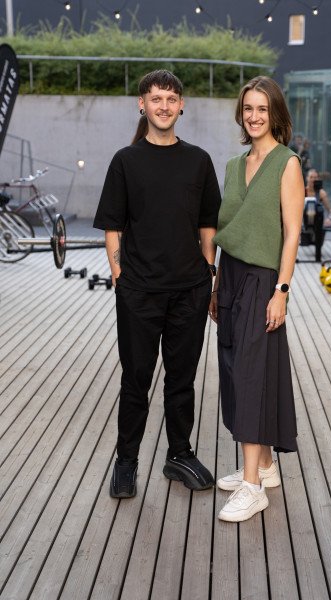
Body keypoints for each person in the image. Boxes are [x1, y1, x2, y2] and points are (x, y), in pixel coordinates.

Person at [93, 69, 221, 498]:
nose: (163, 106)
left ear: (181, 106)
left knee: (182, 380)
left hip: (189, 290)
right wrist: (120, 278)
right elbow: (113, 227)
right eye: (155, 98)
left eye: (171, 99)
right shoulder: (125, 161)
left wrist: (208, 273)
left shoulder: (199, 160)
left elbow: (208, 223)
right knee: (136, 380)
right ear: (142, 104)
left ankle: (179, 454)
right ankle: (126, 461)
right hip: (139, 292)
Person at [209, 76, 304, 522]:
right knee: (233, 368)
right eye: (248, 108)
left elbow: (292, 233)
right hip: (229, 274)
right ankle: (263, 466)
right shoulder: (233, 165)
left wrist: (281, 291)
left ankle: (252, 488)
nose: (254, 116)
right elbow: (226, 228)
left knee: (250, 373)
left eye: (262, 108)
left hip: (263, 278)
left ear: (275, 113)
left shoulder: (287, 163)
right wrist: (216, 285)